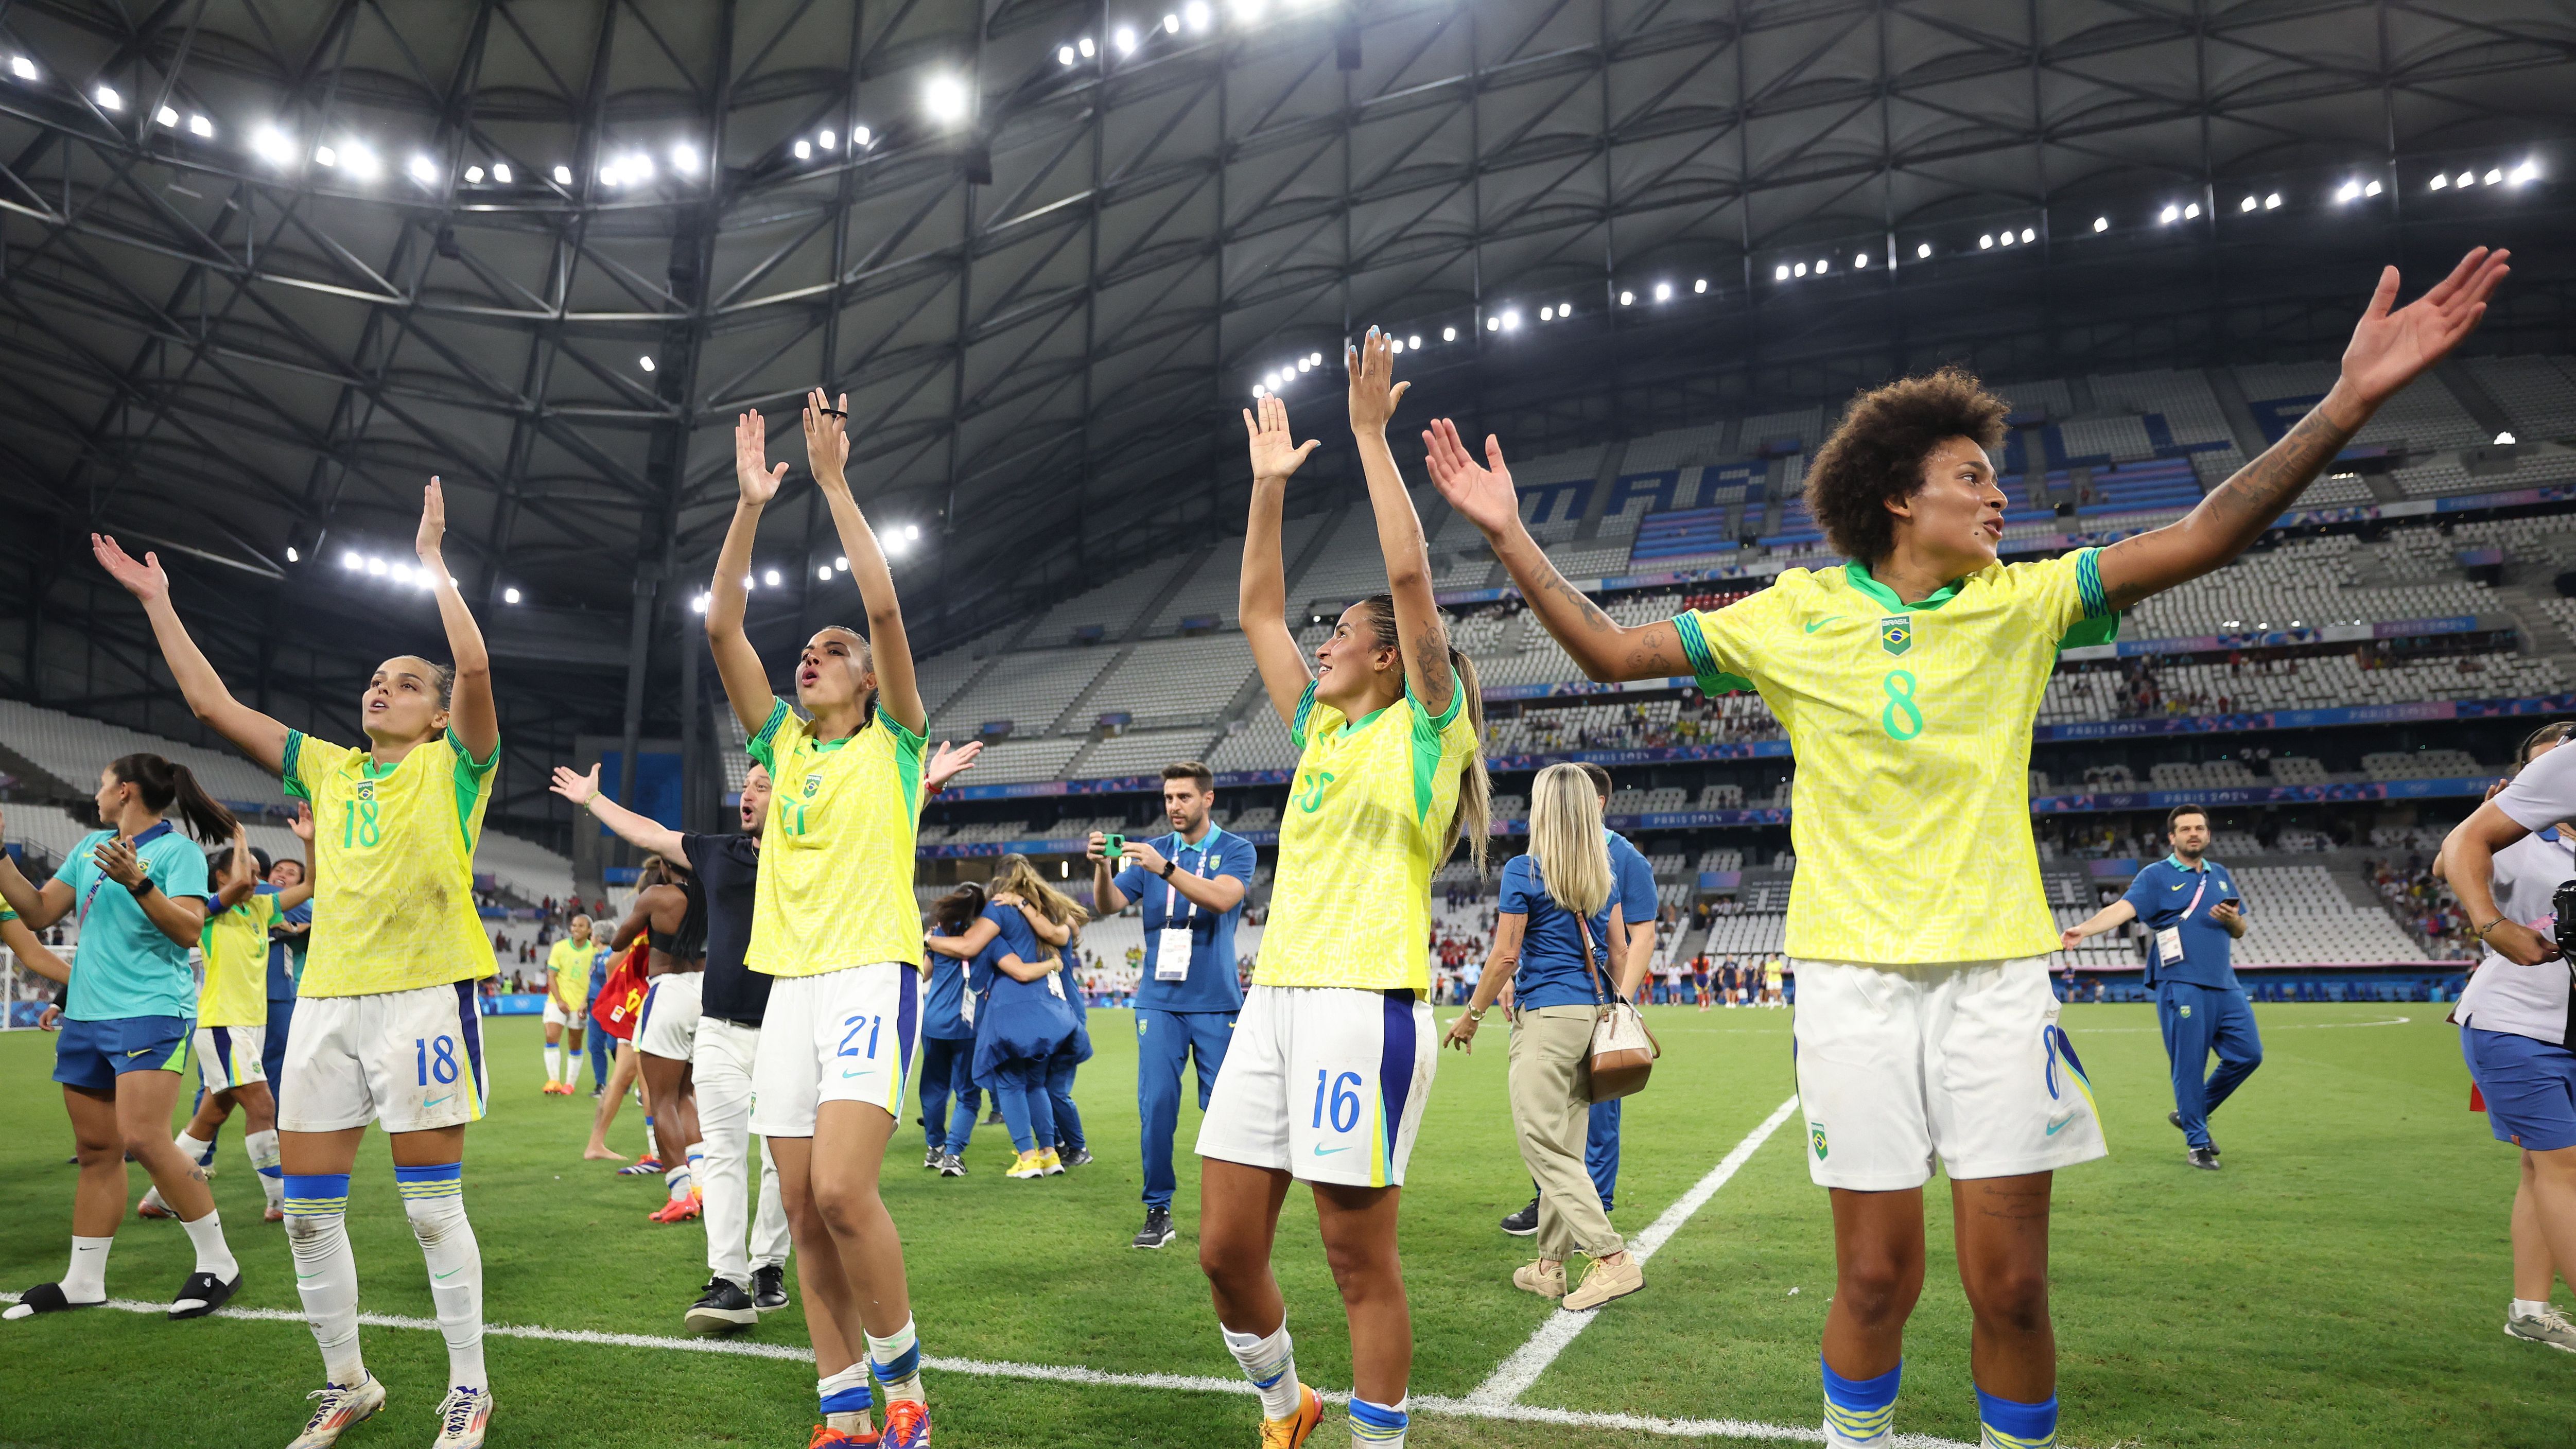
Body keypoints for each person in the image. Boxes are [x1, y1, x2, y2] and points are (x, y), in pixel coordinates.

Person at [1422, 245, 2510, 1449]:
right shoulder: (1794, 613)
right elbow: (1610, 654)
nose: (2001, 499)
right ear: (1899, 496)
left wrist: (2346, 401)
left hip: (1996, 978)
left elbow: (2203, 533)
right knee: (1875, 1282)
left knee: (2012, 1288)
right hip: (1847, 984)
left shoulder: (2027, 601)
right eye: (1972, 477)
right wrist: (1510, 538)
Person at [91, 479, 508, 1447]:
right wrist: (159, 604)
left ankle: (469, 1389)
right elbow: (207, 701)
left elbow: (476, 667)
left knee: (432, 1213)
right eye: (375, 677)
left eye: (406, 682)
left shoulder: (457, 766)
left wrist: (433, 563)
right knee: (311, 1216)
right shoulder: (327, 765)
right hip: (323, 1004)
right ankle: (347, 1382)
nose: (382, 687)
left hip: (422, 1000)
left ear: (439, 717)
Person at [1200, 332, 1490, 1449]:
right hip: (1275, 1001)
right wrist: (1268, 491)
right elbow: (1258, 615)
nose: (1324, 643)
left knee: (1355, 1256)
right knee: (1227, 1248)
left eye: (1345, 635)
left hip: (1364, 1005)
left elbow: (1411, 579)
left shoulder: (1428, 729)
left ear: (1389, 657)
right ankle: (1290, 1406)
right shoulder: (1320, 726)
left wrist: (1371, 439)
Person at [711, 391, 938, 1449]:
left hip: (868, 973)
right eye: (806, 649)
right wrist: (752, 506)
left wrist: (836, 484)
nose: (815, 655)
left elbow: (887, 617)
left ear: (865, 678)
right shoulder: (784, 750)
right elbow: (722, 628)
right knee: (801, 1212)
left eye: (831, 649)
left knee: (846, 1191)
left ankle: (906, 1396)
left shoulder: (894, 741)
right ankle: (843, 1408)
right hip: (787, 986)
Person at [0, 757, 249, 1323]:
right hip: (87, 1016)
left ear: (126, 791)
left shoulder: (176, 852)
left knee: (144, 1137)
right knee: (95, 1151)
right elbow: (38, 912)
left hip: (150, 1012)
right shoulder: (90, 844)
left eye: (102, 783)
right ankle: (84, 1279)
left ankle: (219, 1261)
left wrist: (138, 881)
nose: (97, 793)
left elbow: (189, 928)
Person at [1444, 763, 1647, 1310]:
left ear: (1541, 811)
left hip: (1547, 1018)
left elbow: (1507, 954)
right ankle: (1550, 1267)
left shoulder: (1524, 870)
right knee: (1568, 1144)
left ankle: (1610, 1258)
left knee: (1540, 1140)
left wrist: (1473, 1014)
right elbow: (1620, 950)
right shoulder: (1602, 871)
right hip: (1591, 1015)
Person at [2436, 719, 2576, 1351]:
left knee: (2541, 1169)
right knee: (2563, 1166)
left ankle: (2529, 1308)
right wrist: (2487, 815)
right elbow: (2449, 859)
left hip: (2567, 1029)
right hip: (2518, 1022)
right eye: (2541, 768)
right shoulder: (2519, 839)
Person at [1089, 760, 1257, 1250]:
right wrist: (1102, 867)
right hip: (1158, 1002)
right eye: (1168, 798)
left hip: (1215, 1003)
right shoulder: (1151, 853)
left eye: (1183, 797)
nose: (1174, 806)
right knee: (1157, 1106)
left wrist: (1166, 868)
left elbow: (1222, 899)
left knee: (1223, 1109)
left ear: (1208, 799)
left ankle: (1233, 1207)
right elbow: (1107, 906)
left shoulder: (1235, 850)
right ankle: (1158, 1209)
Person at [1501, 762, 1655, 1234]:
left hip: (1594, 1001)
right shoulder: (1561, 854)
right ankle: (1553, 1209)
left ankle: (1598, 1207)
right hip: (1566, 994)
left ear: (1598, 803)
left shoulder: (1623, 857)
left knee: (1597, 1110)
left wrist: (1620, 1007)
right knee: (1559, 1114)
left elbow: (1640, 935)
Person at [2060, 806, 2257, 1169]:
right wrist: (2084, 929)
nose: (2193, 833)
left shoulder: (2222, 876)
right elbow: (2122, 909)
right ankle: (2197, 1143)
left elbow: (2240, 929)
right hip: (2181, 981)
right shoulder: (2156, 876)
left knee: (2249, 1054)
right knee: (2190, 1063)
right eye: (2185, 829)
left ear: (2208, 834)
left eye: (2200, 827)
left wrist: (2233, 920)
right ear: (2172, 837)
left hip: (2224, 983)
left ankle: (2192, 1111)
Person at [139, 820, 316, 1226]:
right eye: (249, 871)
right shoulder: (205, 911)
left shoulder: (260, 907)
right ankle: (279, 1198)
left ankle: (159, 1197)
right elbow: (236, 885)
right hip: (223, 1024)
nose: (256, 879)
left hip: (249, 1025)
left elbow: (311, 887)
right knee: (263, 1104)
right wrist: (241, 840)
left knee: (210, 1117)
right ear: (221, 875)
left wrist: (309, 841)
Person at [924, 856, 1082, 1179]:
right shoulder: (1047, 912)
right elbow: (1071, 930)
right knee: (1036, 1083)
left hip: (1011, 1011)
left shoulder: (998, 919)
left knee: (1010, 1084)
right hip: (1051, 1008)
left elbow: (971, 947)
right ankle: (1050, 1155)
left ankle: (1027, 1158)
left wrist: (929, 940)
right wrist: (1052, 963)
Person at [619, 857, 710, 1221]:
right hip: (707, 992)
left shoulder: (657, 895)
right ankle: (702, 1184)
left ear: (667, 866)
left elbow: (617, 940)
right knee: (686, 1094)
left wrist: (647, 919)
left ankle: (680, 1193)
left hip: (668, 990)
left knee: (661, 1100)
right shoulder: (709, 895)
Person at [264, 852, 314, 1090]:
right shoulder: (258, 894)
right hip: (259, 993)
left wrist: (292, 927)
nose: (282, 875)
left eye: (291, 873)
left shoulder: (308, 905)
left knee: (279, 1064)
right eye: (279, 870)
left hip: (292, 992)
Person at [541, 916, 598, 1095]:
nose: (576, 929)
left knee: (575, 1043)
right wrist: (559, 1000)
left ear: (590, 930)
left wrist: (585, 1002)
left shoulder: (594, 951)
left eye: (581, 926)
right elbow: (551, 975)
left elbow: (596, 980)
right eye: (574, 925)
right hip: (557, 1002)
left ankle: (570, 1084)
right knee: (551, 1036)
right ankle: (554, 1081)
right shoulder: (560, 947)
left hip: (580, 1005)